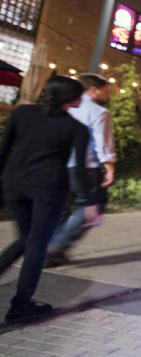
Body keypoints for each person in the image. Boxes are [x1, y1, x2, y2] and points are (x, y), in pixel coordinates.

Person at [0, 76, 96, 323]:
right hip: (49, 190)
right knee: (36, 246)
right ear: (72, 99)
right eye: (79, 95)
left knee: (25, 238)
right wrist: (89, 203)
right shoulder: (77, 128)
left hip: (14, 184)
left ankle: (21, 302)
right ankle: (20, 306)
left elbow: (3, 149)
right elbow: (79, 171)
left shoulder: (22, 113)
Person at [46, 73, 115, 266]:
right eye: (105, 89)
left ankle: (51, 248)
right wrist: (109, 167)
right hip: (85, 166)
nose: (108, 93)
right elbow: (103, 143)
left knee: (62, 207)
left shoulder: (65, 108)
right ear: (93, 89)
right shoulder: (99, 112)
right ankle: (55, 247)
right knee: (94, 207)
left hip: (60, 164)